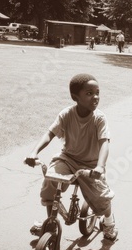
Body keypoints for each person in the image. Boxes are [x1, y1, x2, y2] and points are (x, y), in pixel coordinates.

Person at [25, 73, 118, 241]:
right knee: (50, 181)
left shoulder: (99, 118)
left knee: (101, 198)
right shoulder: (66, 114)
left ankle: (109, 223)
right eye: (89, 93)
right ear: (76, 97)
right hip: (67, 159)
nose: (95, 97)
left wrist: (100, 166)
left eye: (97, 92)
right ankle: (50, 224)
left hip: (90, 165)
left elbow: (105, 142)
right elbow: (49, 133)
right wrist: (34, 152)